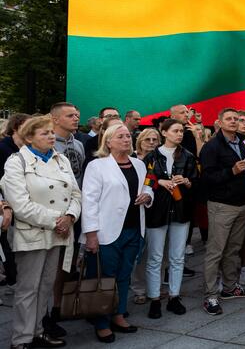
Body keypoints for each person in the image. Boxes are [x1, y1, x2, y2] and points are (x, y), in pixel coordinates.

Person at [2, 115, 81, 349]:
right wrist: (57, 221)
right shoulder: (16, 162)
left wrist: (70, 217)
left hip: (59, 232)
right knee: (28, 289)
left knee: (46, 286)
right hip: (33, 234)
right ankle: (21, 340)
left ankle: (37, 332)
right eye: (44, 133)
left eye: (51, 132)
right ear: (29, 137)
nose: (51, 136)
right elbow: (20, 204)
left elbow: (76, 194)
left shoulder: (61, 160)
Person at [81, 124, 152, 343]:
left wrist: (148, 197)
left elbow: (147, 187)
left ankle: (119, 315)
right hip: (106, 232)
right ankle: (101, 323)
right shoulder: (97, 166)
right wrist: (90, 234)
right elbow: (89, 201)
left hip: (133, 229)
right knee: (104, 278)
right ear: (108, 142)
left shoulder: (139, 164)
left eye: (128, 136)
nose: (126, 139)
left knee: (124, 275)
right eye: (120, 136)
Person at [142, 119, 198, 318]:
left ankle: (174, 296)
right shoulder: (151, 156)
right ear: (164, 132)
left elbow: (196, 183)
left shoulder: (188, 156)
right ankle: (154, 298)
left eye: (181, 131)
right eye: (175, 131)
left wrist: (187, 181)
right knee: (155, 257)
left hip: (181, 210)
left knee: (177, 256)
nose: (180, 134)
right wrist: (160, 182)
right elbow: (145, 182)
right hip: (157, 211)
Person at [200, 108, 245, 316]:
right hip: (221, 205)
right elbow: (207, 178)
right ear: (219, 122)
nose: (233, 122)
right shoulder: (211, 146)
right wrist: (231, 171)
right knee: (216, 251)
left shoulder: (242, 142)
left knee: (234, 248)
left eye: (236, 119)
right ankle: (211, 295)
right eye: (229, 119)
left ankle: (230, 287)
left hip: (242, 204)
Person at [0, 113, 30, 296]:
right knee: (8, 245)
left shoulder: (28, 150)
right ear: (17, 127)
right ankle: (14, 281)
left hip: (24, 208)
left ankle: (17, 281)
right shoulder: (3, 148)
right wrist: (5, 206)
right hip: (7, 209)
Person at [130, 127, 160, 305]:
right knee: (139, 255)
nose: (150, 143)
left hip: (158, 212)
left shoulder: (160, 159)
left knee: (157, 253)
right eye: (147, 139)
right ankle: (139, 289)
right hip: (137, 213)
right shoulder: (132, 160)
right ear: (139, 141)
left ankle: (154, 287)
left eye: (154, 140)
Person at [50, 103, 84, 187]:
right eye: (70, 116)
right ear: (55, 120)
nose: (76, 119)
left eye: (76, 115)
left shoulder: (78, 144)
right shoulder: (47, 144)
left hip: (78, 196)